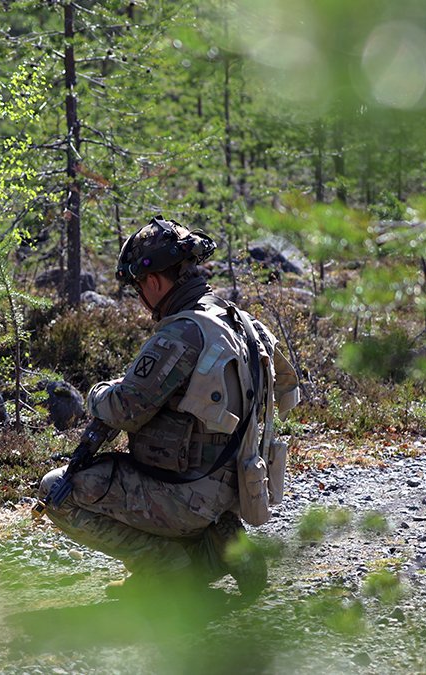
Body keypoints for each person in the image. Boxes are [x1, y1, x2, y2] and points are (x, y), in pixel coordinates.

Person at [37, 216, 300, 598]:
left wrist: (98, 392)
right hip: (236, 487)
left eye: (139, 287)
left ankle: (166, 568)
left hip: (186, 494)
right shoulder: (240, 322)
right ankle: (215, 546)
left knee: (56, 490)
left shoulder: (182, 331)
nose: (142, 300)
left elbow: (125, 408)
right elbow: (290, 393)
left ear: (155, 282)